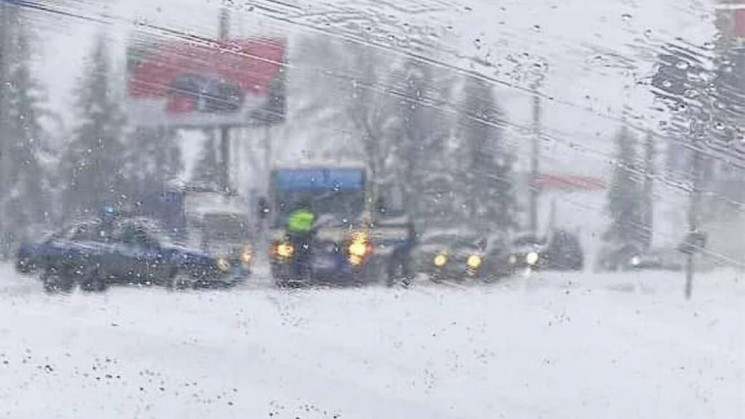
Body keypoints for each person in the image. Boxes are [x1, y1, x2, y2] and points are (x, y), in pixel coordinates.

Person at [285, 201, 316, 279]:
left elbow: (290, 227)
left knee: (295, 259)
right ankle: (307, 275)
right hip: (305, 239)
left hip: (295, 239)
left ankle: (297, 275)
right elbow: (313, 226)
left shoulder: (293, 215)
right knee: (306, 259)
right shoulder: (310, 216)